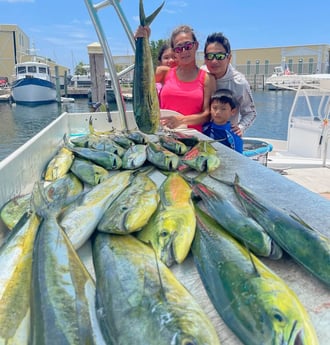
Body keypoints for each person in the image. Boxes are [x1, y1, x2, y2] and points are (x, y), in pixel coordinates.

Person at [136, 25, 216, 132]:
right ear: (174, 51)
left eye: (188, 46)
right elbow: (141, 75)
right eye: (178, 48)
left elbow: (207, 115)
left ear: (196, 45)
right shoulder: (164, 73)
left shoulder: (208, 79)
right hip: (162, 135)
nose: (184, 51)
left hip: (192, 139)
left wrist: (181, 120)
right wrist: (140, 41)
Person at [202, 32, 257, 137]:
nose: (214, 61)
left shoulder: (239, 83)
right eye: (209, 56)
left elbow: (251, 113)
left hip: (226, 136)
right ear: (205, 58)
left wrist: (241, 128)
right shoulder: (201, 74)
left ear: (229, 58)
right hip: (203, 133)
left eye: (220, 56)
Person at [203, 89, 243, 153]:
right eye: (215, 108)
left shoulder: (234, 133)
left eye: (223, 109)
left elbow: (239, 157)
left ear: (232, 111)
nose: (218, 112)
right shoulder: (204, 127)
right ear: (210, 109)